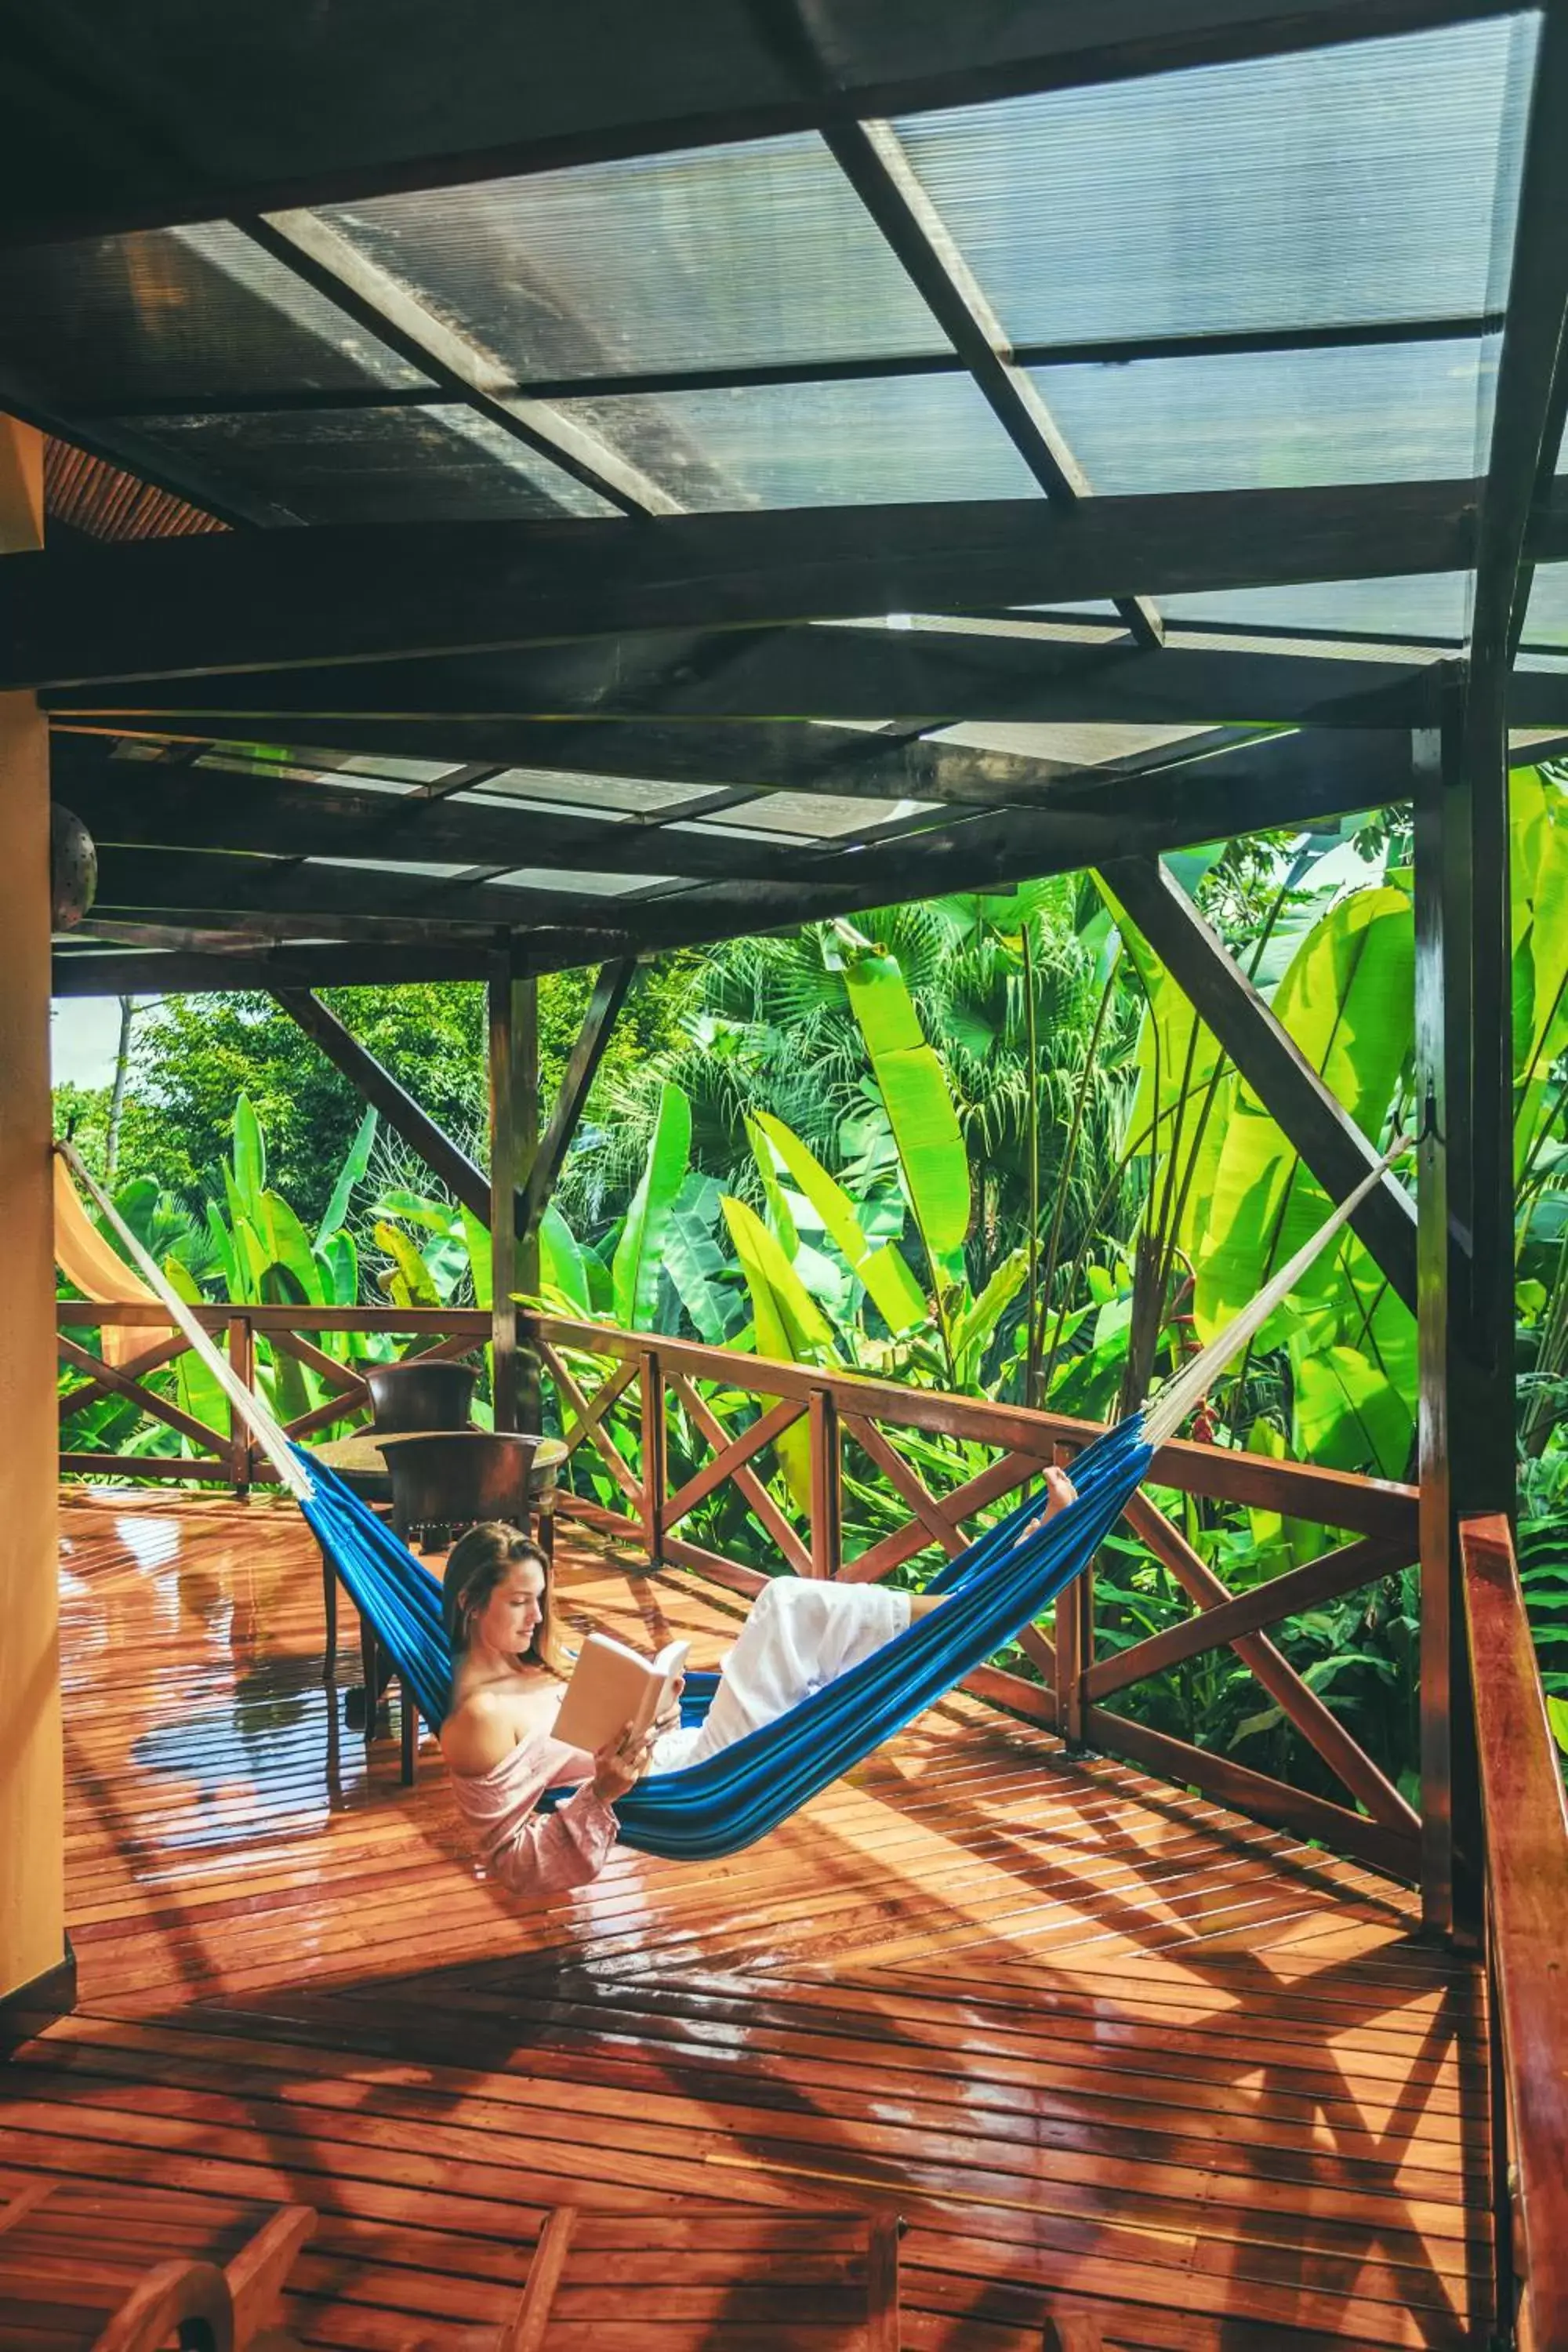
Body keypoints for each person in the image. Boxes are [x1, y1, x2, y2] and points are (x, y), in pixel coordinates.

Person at [438, 1465, 1078, 1899]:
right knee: (786, 1607)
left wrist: (660, 1701)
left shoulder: (533, 1661)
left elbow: (604, 1721)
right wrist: (601, 1795)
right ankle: (987, 1595)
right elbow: (512, 1865)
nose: (538, 1617)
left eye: (541, 1599)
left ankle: (985, 1597)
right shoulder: (478, 1720)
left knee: (806, 1631)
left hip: (683, 1752)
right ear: (471, 1603)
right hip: (687, 1787)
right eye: (520, 1603)